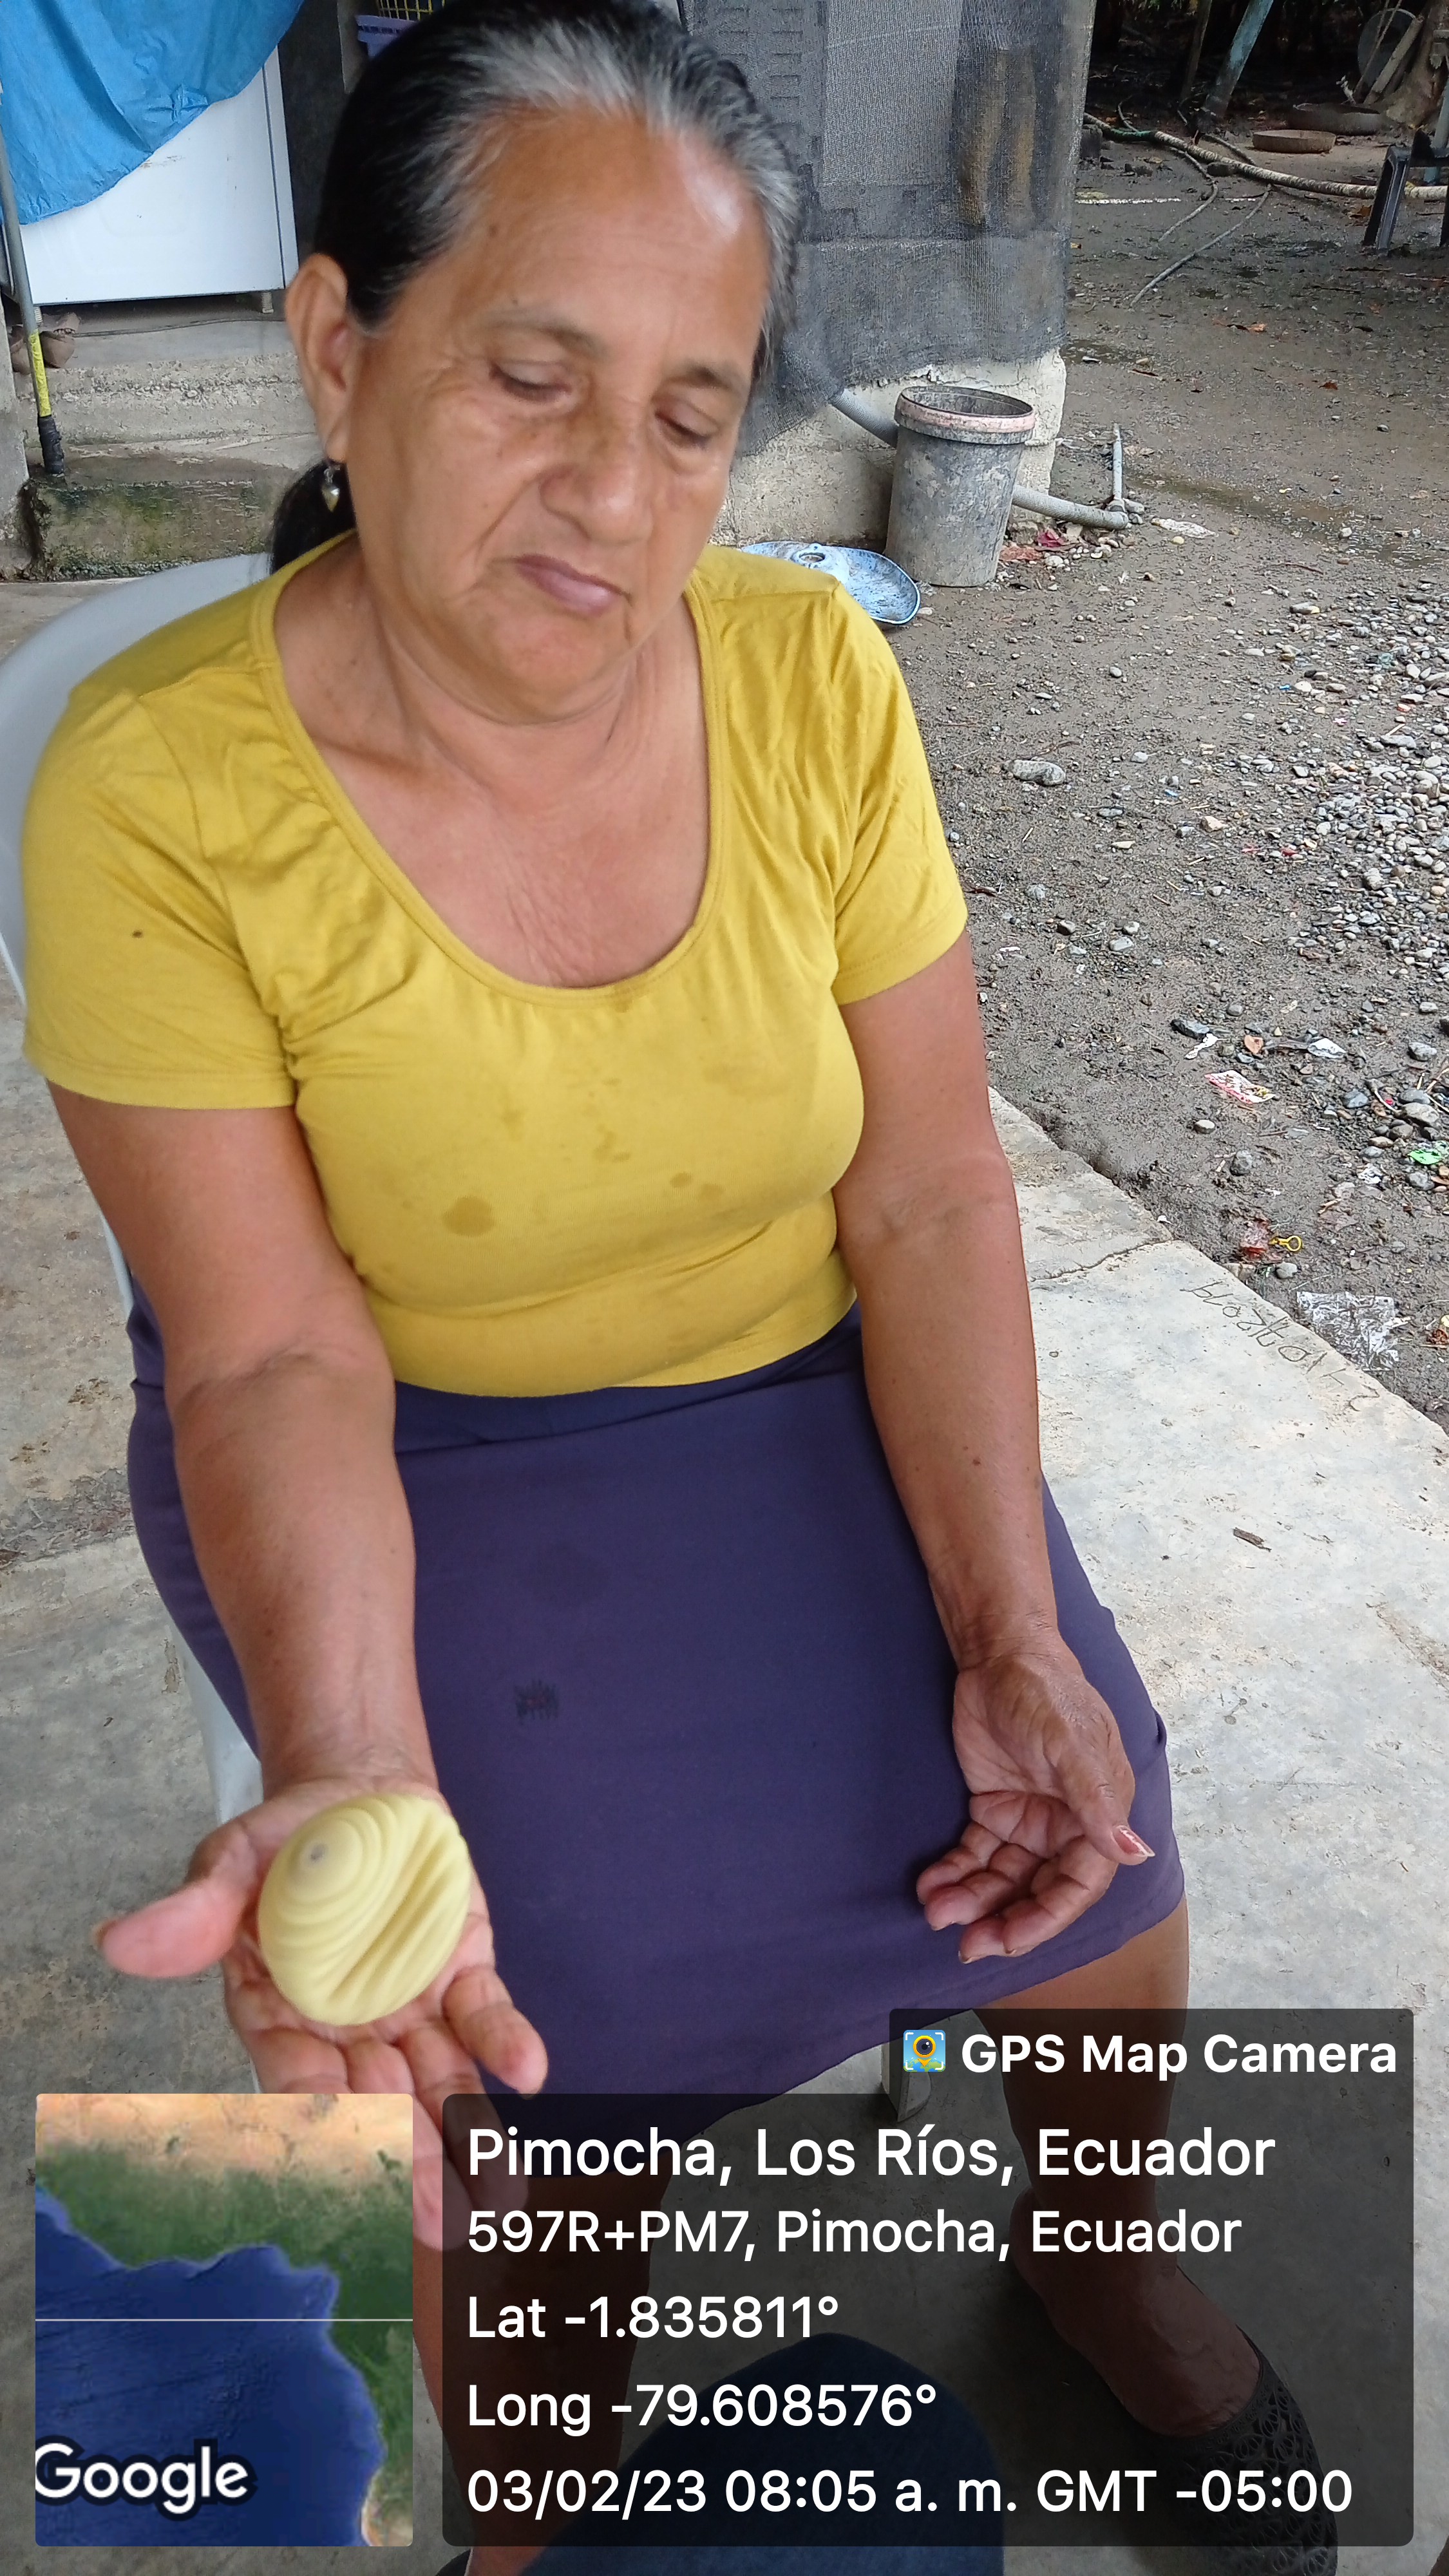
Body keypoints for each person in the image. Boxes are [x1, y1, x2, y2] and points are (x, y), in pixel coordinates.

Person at [23, 3, 1282, 2564]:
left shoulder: (810, 678)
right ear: (339, 344)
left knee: (1090, 1832)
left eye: (691, 415)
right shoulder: (156, 789)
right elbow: (267, 1343)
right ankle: (544, 2456)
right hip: (410, 1430)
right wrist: (350, 1759)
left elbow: (923, 1195)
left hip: (797, 1379)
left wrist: (1002, 1615)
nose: (614, 495)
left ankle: (1095, 2249)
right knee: (511, 2026)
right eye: (530, 377)